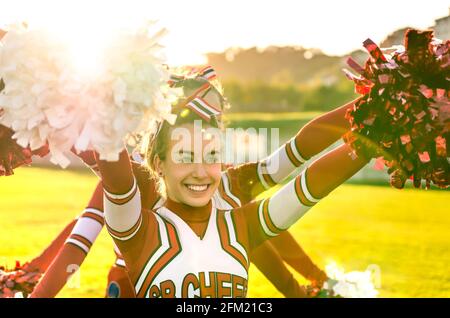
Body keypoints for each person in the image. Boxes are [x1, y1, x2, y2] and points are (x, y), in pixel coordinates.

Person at [30, 68, 356, 298]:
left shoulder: (225, 180)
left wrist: (376, 104)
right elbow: (80, 237)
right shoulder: (135, 179)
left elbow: (264, 235)